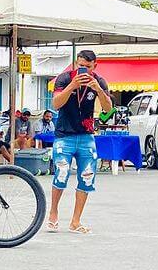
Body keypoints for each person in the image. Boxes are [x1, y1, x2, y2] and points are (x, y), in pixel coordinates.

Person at [47, 49, 112, 234]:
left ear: (95, 66)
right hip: (64, 135)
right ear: (76, 63)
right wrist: (72, 86)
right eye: (80, 66)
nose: (83, 69)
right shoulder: (65, 78)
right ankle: (53, 212)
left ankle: (76, 221)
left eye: (88, 67)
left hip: (86, 136)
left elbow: (108, 109)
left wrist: (98, 90)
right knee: (61, 174)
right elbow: (56, 104)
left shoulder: (99, 81)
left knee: (87, 177)